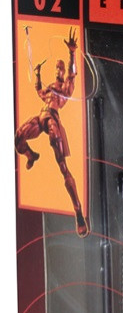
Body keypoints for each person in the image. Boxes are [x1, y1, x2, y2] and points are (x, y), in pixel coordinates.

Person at [15, 27, 89, 238]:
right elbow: (38, 90)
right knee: (18, 137)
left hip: (53, 120)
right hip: (41, 117)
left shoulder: (65, 89)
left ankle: (78, 211)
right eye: (56, 67)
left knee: (62, 166)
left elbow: (73, 74)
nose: (58, 70)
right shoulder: (48, 89)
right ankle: (32, 155)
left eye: (60, 68)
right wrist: (38, 73)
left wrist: (72, 53)